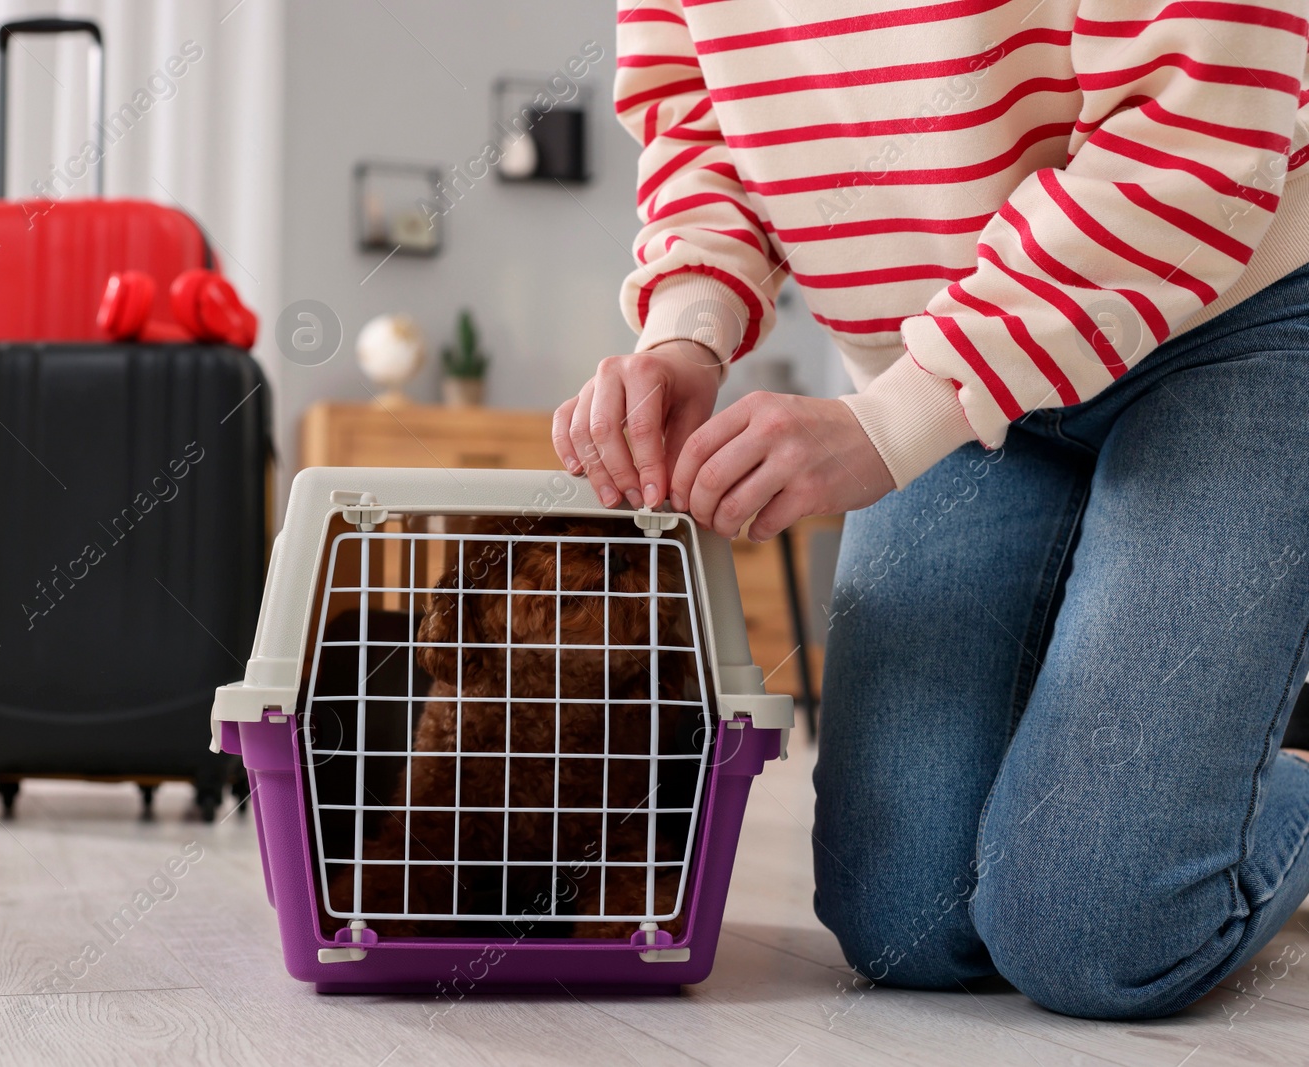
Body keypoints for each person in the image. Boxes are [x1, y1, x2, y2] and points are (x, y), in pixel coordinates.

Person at [551, 1, 1309, 1020]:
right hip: (942, 346)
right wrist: (688, 327)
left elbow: (1196, 122)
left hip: (1236, 306)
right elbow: (702, 123)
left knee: (1090, 936)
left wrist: (894, 423)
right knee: (902, 921)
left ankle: (1267, 789)